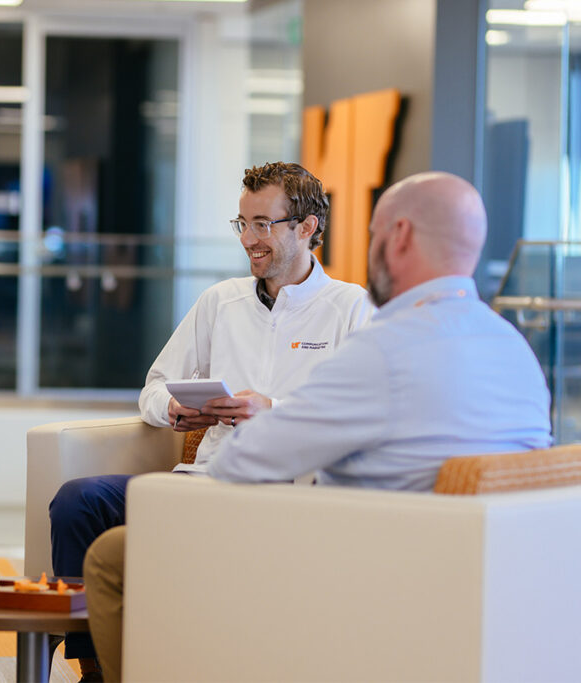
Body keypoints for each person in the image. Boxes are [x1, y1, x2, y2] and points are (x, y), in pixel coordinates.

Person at [82, 171, 553, 682]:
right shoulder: (515, 351)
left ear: (398, 237)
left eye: (372, 233)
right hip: (479, 586)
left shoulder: (386, 347)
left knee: (110, 557)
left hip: (346, 563)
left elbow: (245, 460)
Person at [49, 162, 375, 678]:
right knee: (77, 500)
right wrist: (173, 410)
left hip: (286, 495)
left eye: (263, 224)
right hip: (202, 483)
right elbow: (153, 388)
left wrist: (272, 413)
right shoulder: (220, 302)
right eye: (242, 224)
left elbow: (360, 418)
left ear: (307, 228)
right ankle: (95, 671)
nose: (249, 239)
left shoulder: (351, 309)